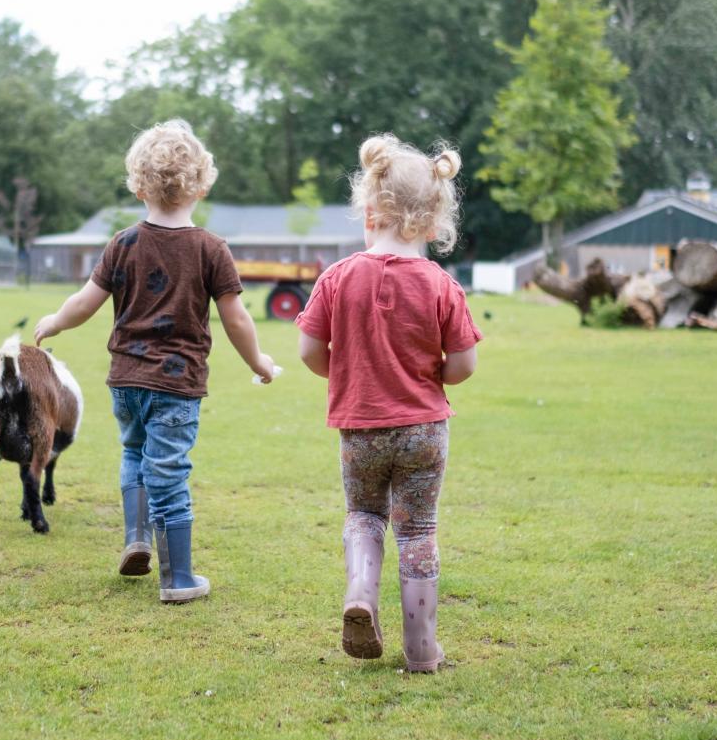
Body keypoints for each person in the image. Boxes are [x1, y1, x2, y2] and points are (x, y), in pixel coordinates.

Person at [35, 120, 277, 603]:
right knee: (169, 470)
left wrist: (55, 322)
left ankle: (137, 539)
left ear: (137, 183)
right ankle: (178, 578)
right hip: (176, 384)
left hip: (125, 380)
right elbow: (237, 321)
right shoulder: (211, 249)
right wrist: (259, 362)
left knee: (133, 454)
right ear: (203, 185)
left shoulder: (122, 243)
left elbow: (84, 302)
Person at [295, 134, 482, 672]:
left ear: (368, 210)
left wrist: (351, 375)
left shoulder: (336, 278)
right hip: (424, 428)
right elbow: (465, 365)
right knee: (418, 529)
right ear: (434, 221)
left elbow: (310, 350)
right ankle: (422, 650)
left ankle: (360, 594)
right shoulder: (442, 285)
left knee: (363, 514)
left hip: (361, 429)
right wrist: (429, 375)